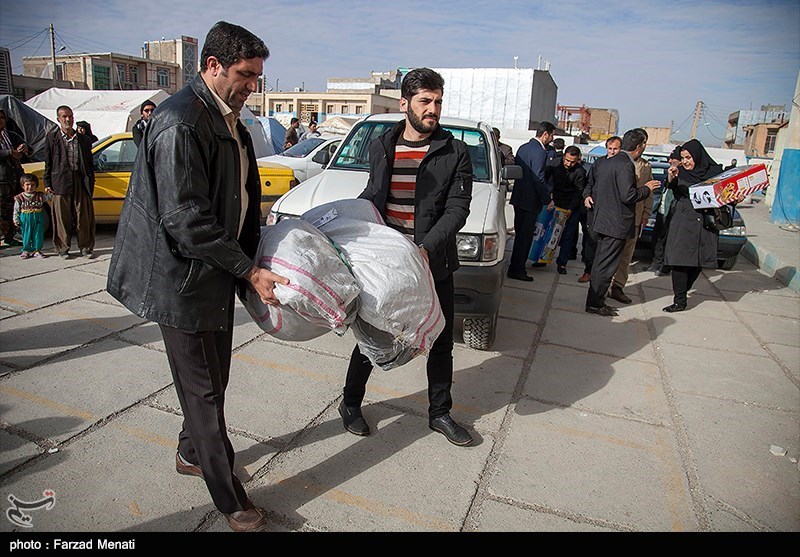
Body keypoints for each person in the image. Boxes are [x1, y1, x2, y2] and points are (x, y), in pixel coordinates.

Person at [106, 21, 289, 532]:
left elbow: (238, 196)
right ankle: (230, 498)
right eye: (245, 75)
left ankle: (191, 452)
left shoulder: (229, 118)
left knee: (216, 380)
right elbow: (186, 219)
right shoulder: (181, 122)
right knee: (205, 393)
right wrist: (249, 270)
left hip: (215, 276)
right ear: (211, 66)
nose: (253, 85)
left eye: (257, 76)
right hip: (180, 281)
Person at [337, 67, 474, 447]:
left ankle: (440, 413)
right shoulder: (382, 144)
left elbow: (457, 208)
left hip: (433, 260)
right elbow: (374, 192)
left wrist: (426, 248)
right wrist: (350, 222)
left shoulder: (454, 150)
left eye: (438, 102)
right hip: (387, 263)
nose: (433, 109)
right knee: (374, 333)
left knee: (441, 339)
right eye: (425, 101)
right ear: (405, 103)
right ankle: (350, 404)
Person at [583, 129, 659, 316]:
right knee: (606, 266)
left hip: (604, 220)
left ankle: (596, 300)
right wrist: (646, 189)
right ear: (640, 146)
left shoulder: (608, 162)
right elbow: (628, 195)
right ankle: (595, 303)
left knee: (601, 264)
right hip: (615, 224)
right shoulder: (625, 164)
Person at [662, 139, 723, 312]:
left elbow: (724, 195)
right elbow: (670, 185)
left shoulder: (715, 173)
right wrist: (671, 176)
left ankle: (683, 291)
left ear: (698, 156)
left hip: (705, 224)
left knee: (697, 262)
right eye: (683, 158)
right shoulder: (679, 173)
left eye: (689, 157)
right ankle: (679, 300)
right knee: (679, 262)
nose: (686, 161)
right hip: (684, 223)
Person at [609, 127, 654, 305]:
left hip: (635, 218)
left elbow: (650, 193)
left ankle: (617, 286)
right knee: (610, 253)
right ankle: (602, 285)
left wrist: (645, 214)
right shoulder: (616, 161)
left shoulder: (645, 166)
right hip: (616, 217)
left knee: (626, 255)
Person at [44, 105, 95, 259]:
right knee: (62, 217)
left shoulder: (83, 139)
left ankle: (85, 247)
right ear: (58, 119)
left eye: (70, 116)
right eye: (64, 117)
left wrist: (90, 181)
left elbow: (89, 163)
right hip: (60, 180)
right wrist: (47, 183)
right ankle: (62, 248)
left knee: (83, 216)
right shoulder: (52, 138)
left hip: (79, 179)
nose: (68, 120)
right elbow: (48, 162)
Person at [507, 121, 555, 282]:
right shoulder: (540, 153)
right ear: (545, 134)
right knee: (525, 238)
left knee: (520, 235)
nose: (552, 138)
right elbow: (539, 179)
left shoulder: (523, 148)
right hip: (530, 201)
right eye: (552, 135)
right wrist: (547, 198)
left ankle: (515, 265)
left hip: (519, 198)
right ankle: (517, 269)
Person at [578, 136, 621, 283]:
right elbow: (589, 183)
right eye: (610, 148)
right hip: (595, 210)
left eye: (616, 149)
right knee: (591, 242)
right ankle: (588, 271)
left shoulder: (624, 166)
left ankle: (601, 276)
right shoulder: (599, 163)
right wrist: (587, 196)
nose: (613, 152)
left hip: (613, 214)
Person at [644, 146, 680, 275]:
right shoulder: (670, 173)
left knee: (667, 241)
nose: (670, 161)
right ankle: (655, 264)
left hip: (673, 213)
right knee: (657, 238)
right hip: (662, 211)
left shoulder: (681, 175)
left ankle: (665, 267)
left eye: (673, 159)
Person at [551, 145, 587, 275]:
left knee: (568, 236)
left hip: (571, 206)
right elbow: (547, 181)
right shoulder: (554, 164)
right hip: (554, 202)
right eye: (567, 160)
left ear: (577, 160)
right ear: (564, 156)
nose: (568, 164)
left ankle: (562, 263)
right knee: (549, 233)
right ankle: (542, 258)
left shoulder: (580, 172)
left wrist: (571, 209)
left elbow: (579, 193)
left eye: (572, 161)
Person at [0, 108, 30, 248]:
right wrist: (8, 153)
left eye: (2, 117)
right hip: (2, 180)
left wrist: (24, 147)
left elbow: (28, 147)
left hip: (15, 176)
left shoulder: (11, 135)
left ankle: (10, 236)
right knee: (2, 210)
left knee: (15, 208)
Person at [13, 173, 51, 259]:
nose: (30, 187)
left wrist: (49, 192)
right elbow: (16, 209)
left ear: (36, 185)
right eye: (27, 185)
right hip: (25, 218)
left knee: (38, 234)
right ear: (23, 185)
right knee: (26, 234)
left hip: (38, 218)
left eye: (32, 185)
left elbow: (49, 198)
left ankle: (37, 250)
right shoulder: (20, 198)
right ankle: (26, 250)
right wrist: (16, 219)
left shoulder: (40, 196)